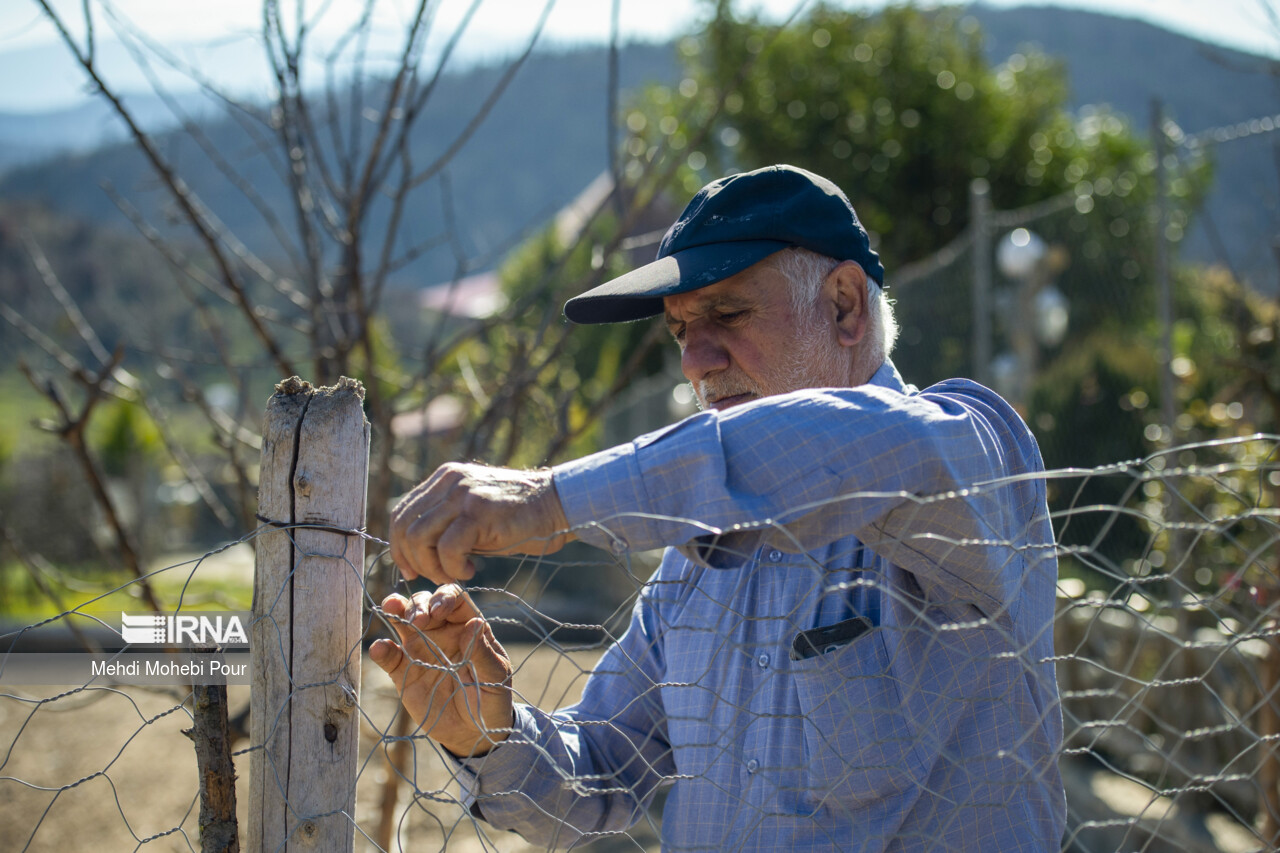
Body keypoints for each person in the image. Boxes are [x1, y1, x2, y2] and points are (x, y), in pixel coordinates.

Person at [372, 164, 1066, 851]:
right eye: (680, 331)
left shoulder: (973, 451)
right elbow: (603, 769)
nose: (694, 362)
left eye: (728, 314)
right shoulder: (695, 566)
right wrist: (487, 736)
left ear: (845, 306)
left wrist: (550, 499)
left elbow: (845, 446)